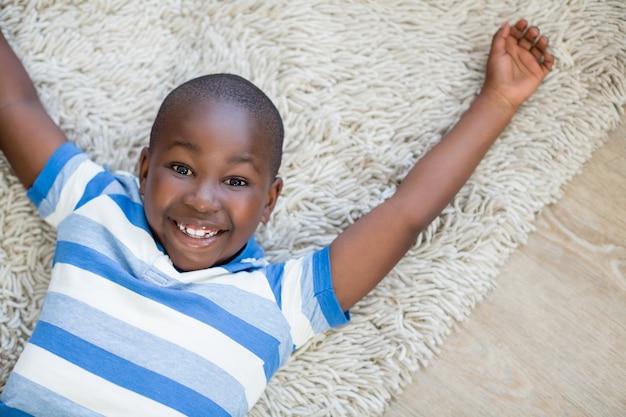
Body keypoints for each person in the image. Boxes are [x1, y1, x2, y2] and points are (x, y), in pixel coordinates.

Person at [0, 18, 553, 416]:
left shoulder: (283, 302)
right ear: (144, 168)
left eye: (237, 181)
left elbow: (407, 213)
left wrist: (498, 101)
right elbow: (14, 107)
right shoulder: (95, 206)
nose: (203, 199)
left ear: (270, 201)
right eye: (181, 167)